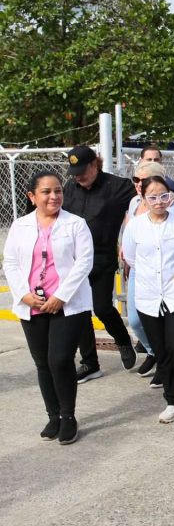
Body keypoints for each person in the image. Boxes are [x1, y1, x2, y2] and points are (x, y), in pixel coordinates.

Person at [4, 171, 94, 445]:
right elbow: (10, 263)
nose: (54, 196)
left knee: (59, 359)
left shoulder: (75, 224)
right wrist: (23, 295)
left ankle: (68, 416)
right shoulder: (20, 226)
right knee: (42, 362)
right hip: (33, 305)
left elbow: (84, 262)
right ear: (32, 197)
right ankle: (53, 415)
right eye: (46, 192)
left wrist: (62, 296)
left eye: (58, 191)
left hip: (67, 305)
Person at [123, 175, 174, 426]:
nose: (159, 202)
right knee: (161, 351)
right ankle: (173, 401)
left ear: (171, 197)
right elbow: (131, 257)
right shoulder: (135, 226)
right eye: (153, 197)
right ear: (144, 199)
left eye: (164, 196)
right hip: (148, 296)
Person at [62, 145, 137, 380]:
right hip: (73, 262)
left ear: (95, 164)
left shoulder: (118, 187)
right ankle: (90, 362)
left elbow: (141, 206)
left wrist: (130, 241)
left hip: (101, 259)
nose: (78, 176)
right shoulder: (69, 188)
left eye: (82, 171)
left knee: (102, 307)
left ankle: (123, 340)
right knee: (80, 312)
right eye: (74, 172)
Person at [124, 160, 174, 382]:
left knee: (166, 327)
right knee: (135, 320)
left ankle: (165, 365)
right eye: (135, 180)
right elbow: (130, 239)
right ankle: (154, 352)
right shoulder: (133, 202)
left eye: (142, 180)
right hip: (141, 270)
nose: (138, 184)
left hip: (167, 274)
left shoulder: (170, 207)